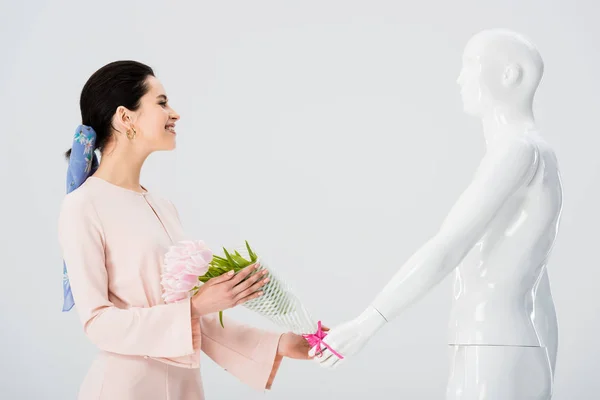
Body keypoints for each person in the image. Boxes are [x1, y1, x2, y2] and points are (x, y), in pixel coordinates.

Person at [310, 29, 560, 400]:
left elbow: (447, 247)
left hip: (491, 346)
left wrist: (367, 323)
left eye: (471, 63)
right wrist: (545, 365)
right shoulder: (536, 152)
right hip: (502, 345)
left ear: (511, 74)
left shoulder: (516, 151)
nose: (461, 77)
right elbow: (541, 287)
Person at [58, 60, 315, 400]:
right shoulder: (84, 205)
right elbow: (98, 324)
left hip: (183, 387)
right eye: (162, 102)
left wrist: (279, 344)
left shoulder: (163, 206)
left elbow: (188, 320)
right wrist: (194, 308)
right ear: (125, 117)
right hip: (125, 388)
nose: (174, 113)